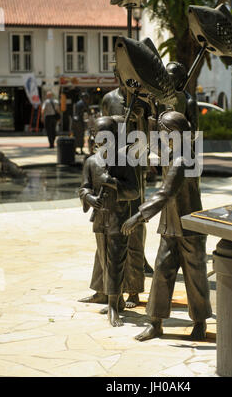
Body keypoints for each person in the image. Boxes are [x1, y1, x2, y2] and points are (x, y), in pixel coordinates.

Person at [122, 110, 212, 341]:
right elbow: (155, 147)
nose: (159, 139)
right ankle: (155, 323)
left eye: (163, 133)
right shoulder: (174, 152)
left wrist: (138, 217)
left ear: (173, 135)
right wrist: (150, 116)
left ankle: (199, 322)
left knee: (195, 277)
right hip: (170, 226)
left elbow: (164, 193)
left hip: (190, 228)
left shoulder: (183, 159)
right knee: (162, 273)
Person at [79, 116, 139, 327]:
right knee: (105, 261)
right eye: (99, 138)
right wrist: (89, 198)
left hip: (118, 218)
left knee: (115, 262)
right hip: (100, 220)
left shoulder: (124, 161)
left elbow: (134, 191)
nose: (103, 143)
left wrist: (112, 182)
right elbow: (84, 187)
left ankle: (113, 306)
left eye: (108, 138)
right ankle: (115, 298)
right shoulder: (91, 162)